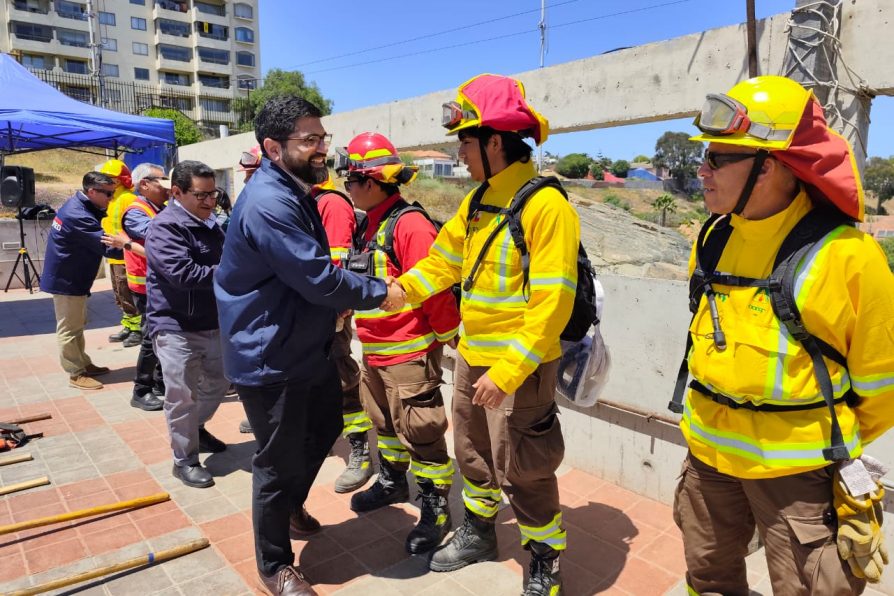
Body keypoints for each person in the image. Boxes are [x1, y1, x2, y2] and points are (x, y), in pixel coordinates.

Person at [671, 75, 894, 594]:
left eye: (717, 159)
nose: (701, 170)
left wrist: (808, 432)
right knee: (707, 575)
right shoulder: (711, 239)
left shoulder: (849, 256)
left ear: (768, 166)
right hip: (707, 460)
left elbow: (881, 391)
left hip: (796, 476)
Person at [391, 74, 579, 595]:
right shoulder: (478, 202)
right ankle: (478, 533)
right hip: (474, 359)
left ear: (495, 141)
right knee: (473, 454)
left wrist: (509, 371)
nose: (460, 152)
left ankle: (544, 561)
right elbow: (441, 265)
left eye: (466, 141)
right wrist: (398, 292)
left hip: (521, 369)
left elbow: (552, 304)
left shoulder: (547, 207)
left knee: (525, 469)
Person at [214, 96, 405, 596]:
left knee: (324, 427)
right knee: (277, 462)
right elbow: (318, 276)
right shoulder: (270, 201)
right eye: (310, 140)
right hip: (269, 353)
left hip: (303, 344)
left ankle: (289, 500)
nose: (323, 149)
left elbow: (309, 275)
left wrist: (331, 305)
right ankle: (274, 564)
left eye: (323, 138)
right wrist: (382, 292)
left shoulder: (295, 189)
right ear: (274, 147)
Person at [341, 132, 461, 553]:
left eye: (349, 180)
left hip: (409, 353)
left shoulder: (409, 225)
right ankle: (393, 483)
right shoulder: (366, 223)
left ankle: (435, 509)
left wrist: (448, 338)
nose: (346, 188)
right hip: (375, 351)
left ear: (370, 182)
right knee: (387, 427)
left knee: (422, 434)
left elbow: (437, 290)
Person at [145, 160, 228, 490]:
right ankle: (185, 460)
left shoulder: (212, 225)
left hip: (213, 322)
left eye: (213, 194)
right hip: (175, 325)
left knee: (222, 381)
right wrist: (234, 272)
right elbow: (183, 274)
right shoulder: (165, 227)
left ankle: (196, 429)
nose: (210, 202)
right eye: (201, 195)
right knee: (182, 396)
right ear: (176, 193)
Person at [39, 172, 122, 390]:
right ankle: (75, 373)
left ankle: (82, 362)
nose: (111, 198)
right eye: (108, 193)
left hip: (73, 276)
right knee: (68, 328)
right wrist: (134, 249)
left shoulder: (79, 204)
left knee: (77, 324)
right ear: (92, 191)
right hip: (67, 279)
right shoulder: (78, 214)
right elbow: (105, 246)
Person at [121, 163, 169, 411]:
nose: (167, 185)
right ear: (145, 184)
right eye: (161, 180)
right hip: (145, 286)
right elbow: (162, 238)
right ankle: (141, 390)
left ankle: (160, 384)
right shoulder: (136, 211)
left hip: (160, 284)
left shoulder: (158, 208)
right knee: (151, 338)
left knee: (162, 337)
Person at [98, 159, 142, 346]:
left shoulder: (127, 198)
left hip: (125, 253)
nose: (106, 182)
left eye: (110, 178)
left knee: (128, 291)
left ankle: (138, 329)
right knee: (119, 293)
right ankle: (128, 324)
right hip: (113, 255)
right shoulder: (111, 198)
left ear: (119, 180)